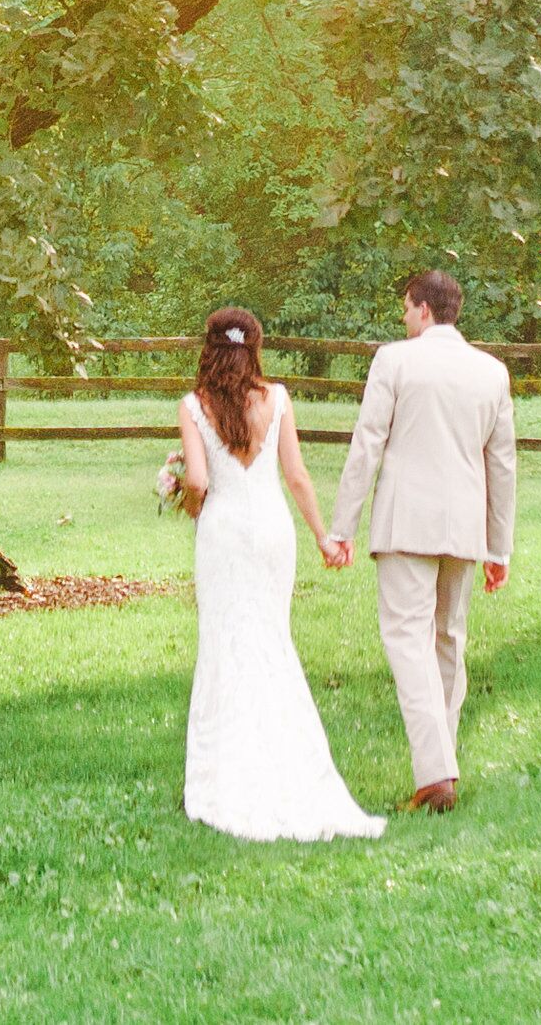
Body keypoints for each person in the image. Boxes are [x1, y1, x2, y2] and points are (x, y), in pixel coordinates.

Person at [172, 306, 386, 842]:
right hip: (272, 530)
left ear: (210, 347)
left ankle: (228, 770)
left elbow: (197, 478)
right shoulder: (279, 398)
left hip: (223, 532)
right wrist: (322, 535)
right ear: (254, 347)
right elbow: (296, 475)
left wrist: (189, 503)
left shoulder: (193, 406)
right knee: (270, 638)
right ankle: (287, 760)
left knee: (225, 641)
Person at [324, 268, 518, 813]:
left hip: (406, 522)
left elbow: (368, 444)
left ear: (425, 309)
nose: (404, 320)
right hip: (464, 528)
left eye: (407, 309)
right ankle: (442, 765)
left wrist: (342, 528)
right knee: (447, 640)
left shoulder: (394, 360)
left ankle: (436, 773)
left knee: (409, 640)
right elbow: (501, 465)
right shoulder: (491, 372)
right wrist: (499, 546)